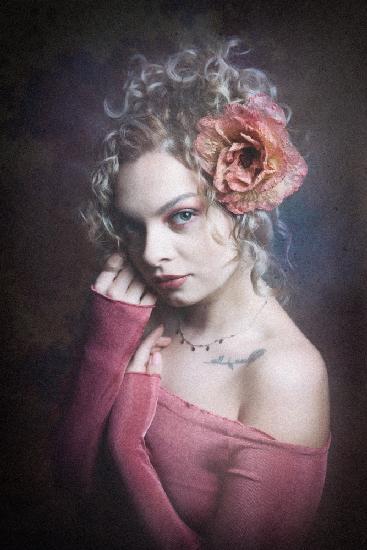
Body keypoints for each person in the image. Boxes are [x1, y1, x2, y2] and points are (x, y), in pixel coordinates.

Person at [53, 38, 331, 549]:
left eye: (181, 215)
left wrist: (126, 446)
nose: (152, 253)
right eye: (133, 227)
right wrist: (103, 347)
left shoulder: (286, 374)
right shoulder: (135, 310)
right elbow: (69, 482)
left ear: (243, 197)